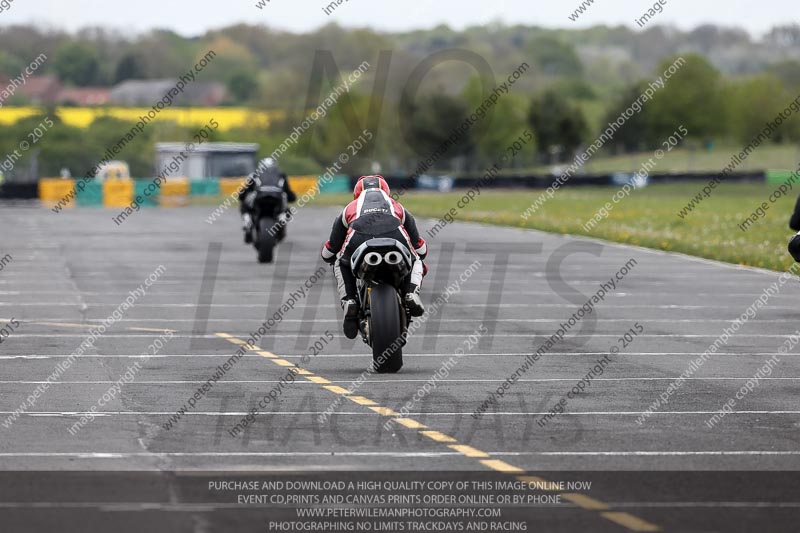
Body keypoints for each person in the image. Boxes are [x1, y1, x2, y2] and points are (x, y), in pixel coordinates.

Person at [321, 175, 428, 339]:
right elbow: (420, 248)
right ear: (387, 191)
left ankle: (349, 300)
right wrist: (419, 252)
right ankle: (411, 292)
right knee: (417, 261)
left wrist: (329, 256)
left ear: (356, 193)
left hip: (359, 239)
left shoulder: (349, 208)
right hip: (395, 237)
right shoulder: (397, 206)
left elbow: (330, 250)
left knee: (340, 263)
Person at [239, 158, 296, 243]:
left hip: (259, 199)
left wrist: (242, 198)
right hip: (277, 199)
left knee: (244, 205)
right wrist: (292, 198)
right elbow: (288, 193)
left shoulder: (255, 174)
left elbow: (244, 192)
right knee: (287, 208)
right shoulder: (281, 174)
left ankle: (248, 222)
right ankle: (281, 219)